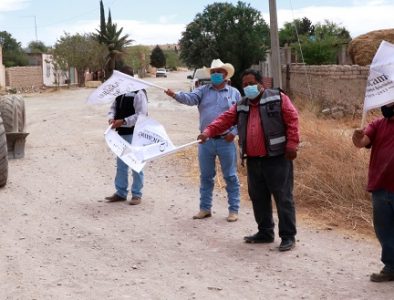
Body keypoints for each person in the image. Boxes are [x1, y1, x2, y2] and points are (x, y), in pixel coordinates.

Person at [198, 69, 300, 251]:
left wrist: (292, 144)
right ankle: (265, 232)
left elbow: (292, 119)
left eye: (251, 83)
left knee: (283, 197)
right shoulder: (242, 105)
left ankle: (288, 236)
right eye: (244, 84)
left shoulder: (277, 98)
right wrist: (208, 132)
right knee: (258, 197)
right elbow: (224, 120)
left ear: (261, 84)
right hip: (253, 160)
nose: (248, 87)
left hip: (276, 157)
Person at [165, 59, 241, 222]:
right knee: (206, 176)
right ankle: (205, 208)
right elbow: (189, 98)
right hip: (205, 141)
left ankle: (233, 210)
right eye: (213, 72)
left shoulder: (234, 93)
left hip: (226, 140)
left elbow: (241, 116)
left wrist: (234, 132)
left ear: (225, 74)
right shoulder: (203, 91)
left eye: (218, 72)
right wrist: (175, 95)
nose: (215, 75)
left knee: (230, 176)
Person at [352, 102, 394, 282]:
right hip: (381, 186)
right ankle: (391, 267)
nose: (387, 104)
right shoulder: (378, 124)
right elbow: (361, 143)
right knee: (384, 229)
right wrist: (356, 136)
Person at [105, 65, 148, 205]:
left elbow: (142, 115)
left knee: (136, 164)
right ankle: (121, 193)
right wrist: (112, 118)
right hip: (121, 135)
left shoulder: (139, 92)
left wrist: (123, 121)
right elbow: (113, 108)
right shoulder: (120, 93)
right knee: (122, 164)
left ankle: (137, 194)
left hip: (135, 135)